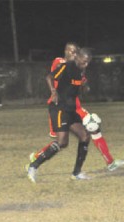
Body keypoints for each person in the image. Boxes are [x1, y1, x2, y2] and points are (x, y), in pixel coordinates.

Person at [41, 42, 124, 171]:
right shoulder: (60, 62)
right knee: (61, 141)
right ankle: (36, 158)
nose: (73, 53)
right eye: (70, 51)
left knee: (94, 129)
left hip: (75, 106)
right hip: (61, 105)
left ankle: (110, 162)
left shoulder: (79, 67)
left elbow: (81, 87)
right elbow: (55, 75)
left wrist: (83, 83)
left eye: (75, 51)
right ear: (65, 51)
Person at [25, 48, 93, 183]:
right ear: (77, 57)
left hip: (71, 108)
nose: (86, 65)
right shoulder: (67, 66)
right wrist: (53, 91)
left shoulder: (81, 70)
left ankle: (77, 173)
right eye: (84, 62)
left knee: (85, 136)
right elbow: (49, 77)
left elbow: (78, 89)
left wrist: (84, 87)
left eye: (88, 63)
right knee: (62, 142)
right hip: (59, 107)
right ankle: (33, 166)